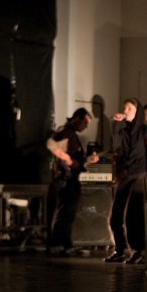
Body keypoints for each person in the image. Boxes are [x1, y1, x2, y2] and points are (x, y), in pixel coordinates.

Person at [107, 98, 147, 263]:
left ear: (137, 112)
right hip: (125, 176)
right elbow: (115, 146)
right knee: (115, 215)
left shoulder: (146, 132)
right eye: (124, 108)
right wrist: (115, 124)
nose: (125, 111)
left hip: (140, 176)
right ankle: (120, 250)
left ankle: (140, 251)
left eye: (129, 108)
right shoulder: (123, 132)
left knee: (133, 216)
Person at [46, 107, 99, 256]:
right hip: (66, 179)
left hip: (70, 178)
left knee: (68, 213)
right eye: (85, 122)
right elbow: (52, 146)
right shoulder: (66, 132)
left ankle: (65, 244)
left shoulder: (70, 133)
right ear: (77, 118)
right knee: (64, 212)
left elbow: (74, 158)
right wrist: (68, 159)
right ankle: (58, 244)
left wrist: (86, 160)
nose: (86, 126)